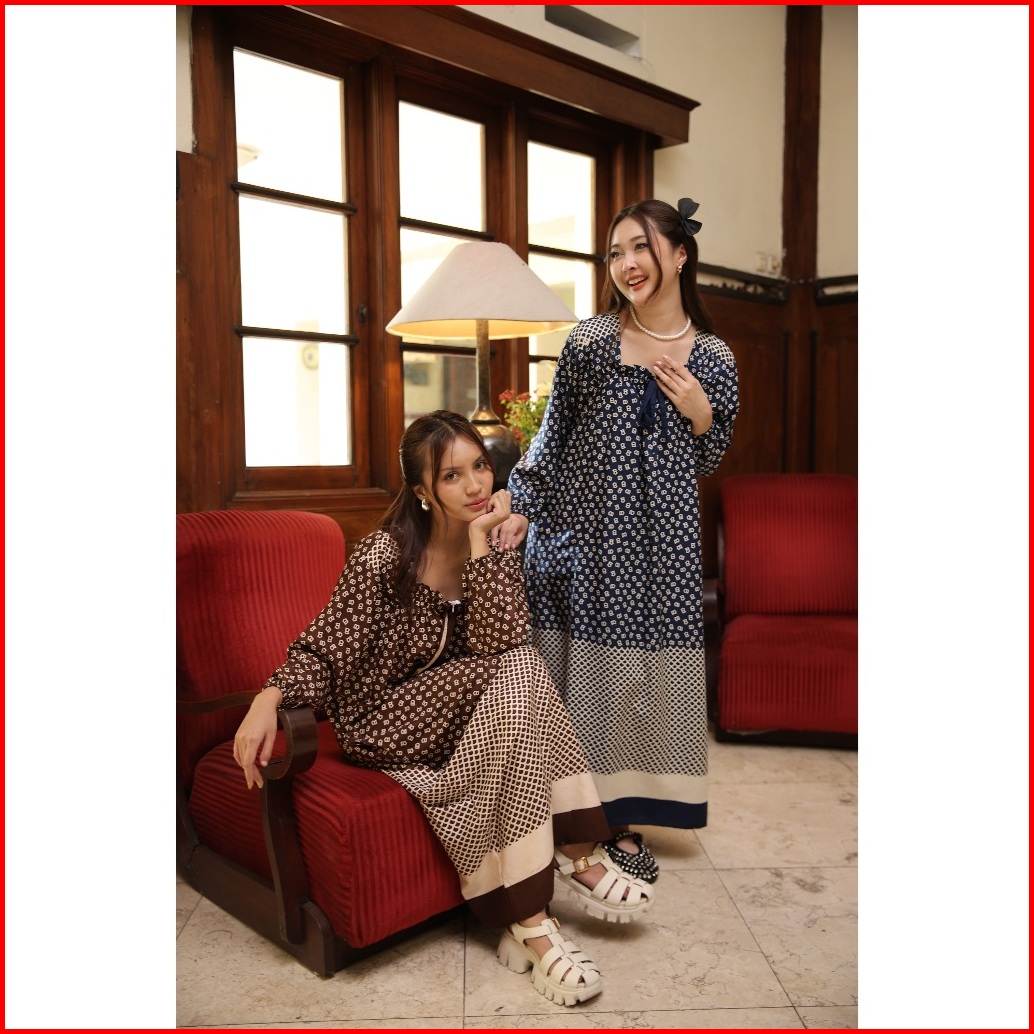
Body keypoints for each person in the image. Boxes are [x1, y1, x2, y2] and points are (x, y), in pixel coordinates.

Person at [232, 410, 654, 1008]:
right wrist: (269, 697)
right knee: (521, 668)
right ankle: (574, 858)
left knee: (521, 667)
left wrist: (484, 545)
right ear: (423, 491)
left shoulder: (493, 538)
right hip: (382, 721)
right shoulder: (385, 555)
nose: (476, 485)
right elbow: (328, 644)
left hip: (457, 708)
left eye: (479, 466)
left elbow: (500, 641)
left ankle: (531, 917)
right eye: (452, 476)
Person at [492, 198, 740, 882]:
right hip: (583, 534)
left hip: (660, 547)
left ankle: (620, 816)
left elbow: (709, 456)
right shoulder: (592, 343)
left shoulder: (714, 357)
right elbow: (553, 435)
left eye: (641, 248)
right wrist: (522, 503)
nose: (627, 264)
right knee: (575, 679)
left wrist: (700, 413)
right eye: (615, 252)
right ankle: (576, 819)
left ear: (680, 255)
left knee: (639, 680)